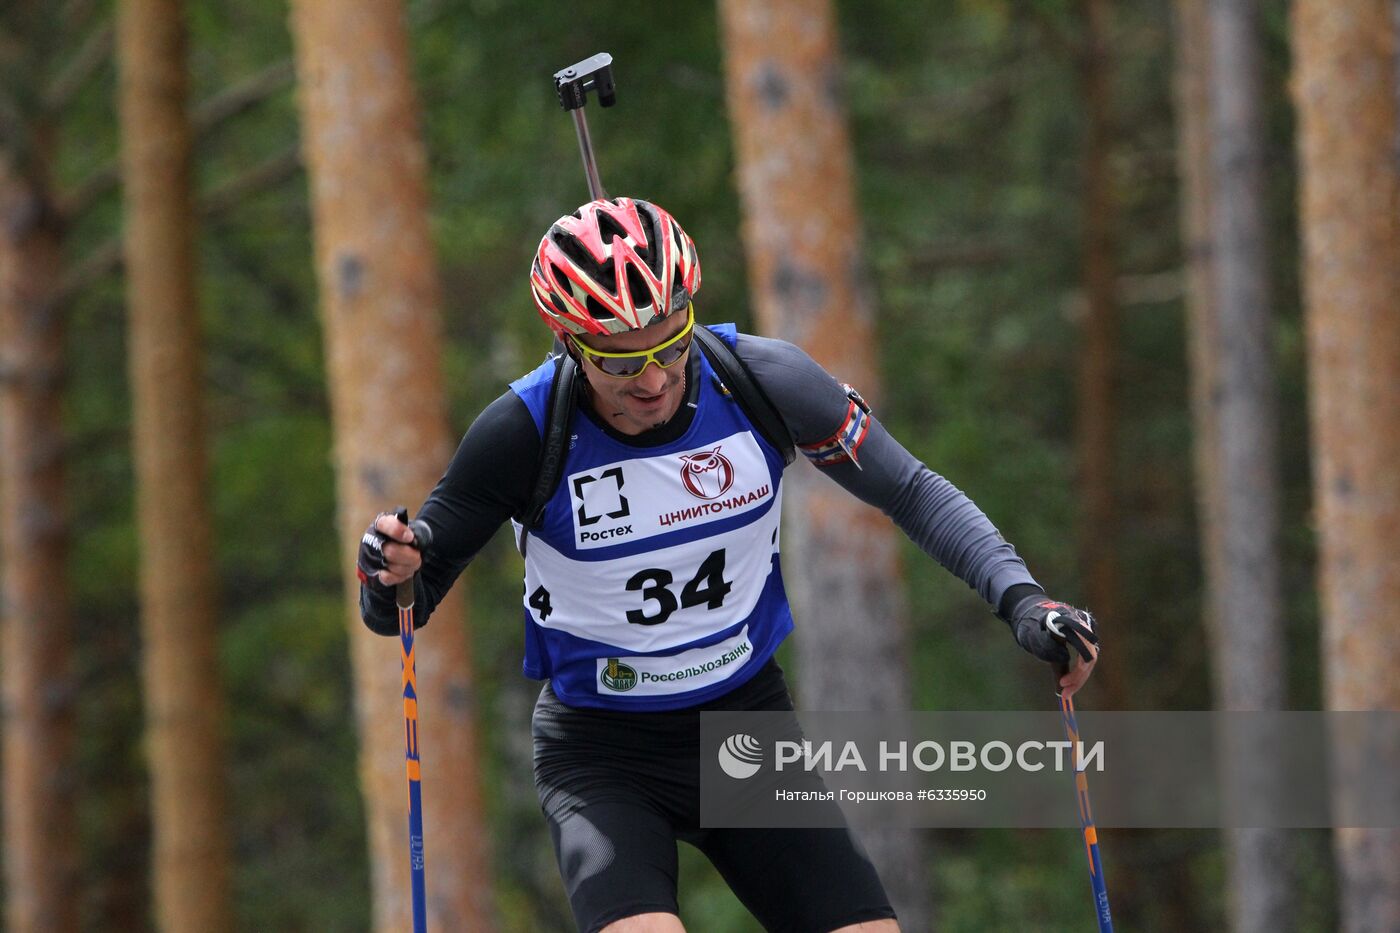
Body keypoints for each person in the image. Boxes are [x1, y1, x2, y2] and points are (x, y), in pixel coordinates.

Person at [356, 197, 1100, 933]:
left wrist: (1022, 600)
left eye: (670, 344)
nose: (652, 379)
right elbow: (401, 606)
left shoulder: (763, 382)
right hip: (603, 754)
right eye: (620, 360)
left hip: (744, 732)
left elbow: (910, 489)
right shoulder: (524, 432)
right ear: (570, 342)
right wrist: (388, 568)